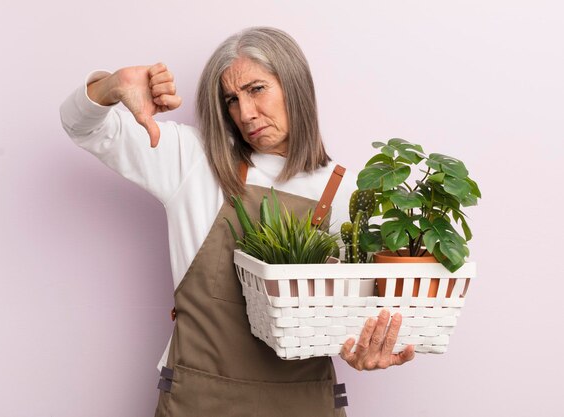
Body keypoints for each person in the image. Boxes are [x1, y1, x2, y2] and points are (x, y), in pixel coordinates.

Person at [60, 26, 414, 417]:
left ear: (294, 85)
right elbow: (83, 126)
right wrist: (113, 84)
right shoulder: (195, 161)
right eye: (231, 99)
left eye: (256, 89)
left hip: (304, 405)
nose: (244, 113)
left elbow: (353, 319)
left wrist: (365, 350)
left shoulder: (350, 194)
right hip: (198, 400)